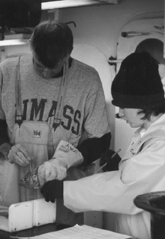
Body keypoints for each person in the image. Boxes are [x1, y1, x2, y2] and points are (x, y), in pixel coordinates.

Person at [41, 51, 165, 239]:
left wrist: (65, 190)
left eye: (123, 106)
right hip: (134, 237)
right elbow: (133, 177)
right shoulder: (145, 132)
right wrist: (121, 166)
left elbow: (123, 189)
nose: (120, 113)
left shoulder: (161, 144)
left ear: (143, 105)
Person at [0, 20, 111, 224]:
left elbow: (101, 139)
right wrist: (6, 147)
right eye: (39, 66)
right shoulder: (7, 71)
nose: (45, 74)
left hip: (59, 193)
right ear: (31, 50)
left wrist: (63, 161)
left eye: (54, 68)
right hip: (12, 195)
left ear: (68, 54)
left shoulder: (87, 79)